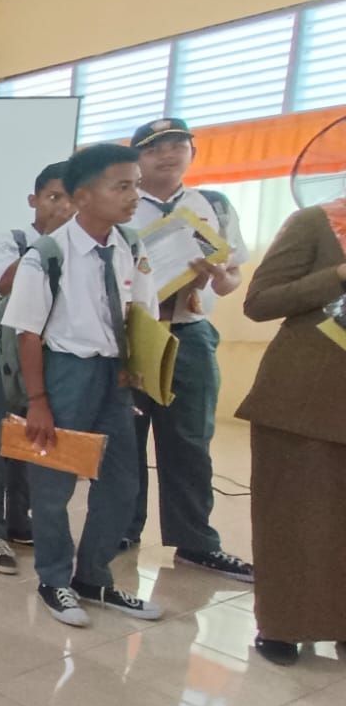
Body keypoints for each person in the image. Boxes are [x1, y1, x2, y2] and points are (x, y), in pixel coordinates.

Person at [2, 143, 163, 627]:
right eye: (122, 186)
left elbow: (142, 314)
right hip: (64, 373)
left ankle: (94, 577)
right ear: (83, 196)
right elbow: (27, 333)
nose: (134, 195)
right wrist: (38, 402)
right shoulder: (47, 253)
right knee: (52, 485)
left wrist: (137, 371)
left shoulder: (131, 246)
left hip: (114, 376)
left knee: (122, 481)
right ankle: (55, 579)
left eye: (135, 184)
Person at [122, 117, 253, 581]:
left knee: (190, 442)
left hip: (190, 332)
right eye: (157, 146)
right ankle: (122, 529)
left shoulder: (211, 204)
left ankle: (195, 542)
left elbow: (233, 272)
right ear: (138, 156)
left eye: (179, 144)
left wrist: (219, 279)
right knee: (125, 439)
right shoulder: (122, 204)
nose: (169, 153)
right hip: (132, 335)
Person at [235, 201, 346, 665]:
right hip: (304, 395)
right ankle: (282, 624)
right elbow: (260, 302)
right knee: (294, 519)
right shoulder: (319, 222)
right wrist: (337, 275)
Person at [0, 162, 70, 572]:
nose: (63, 208)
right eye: (53, 198)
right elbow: (2, 282)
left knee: (33, 441)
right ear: (34, 200)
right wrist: (47, 247)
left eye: (71, 199)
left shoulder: (82, 247)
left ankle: (19, 521)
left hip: (47, 354)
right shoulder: (14, 240)